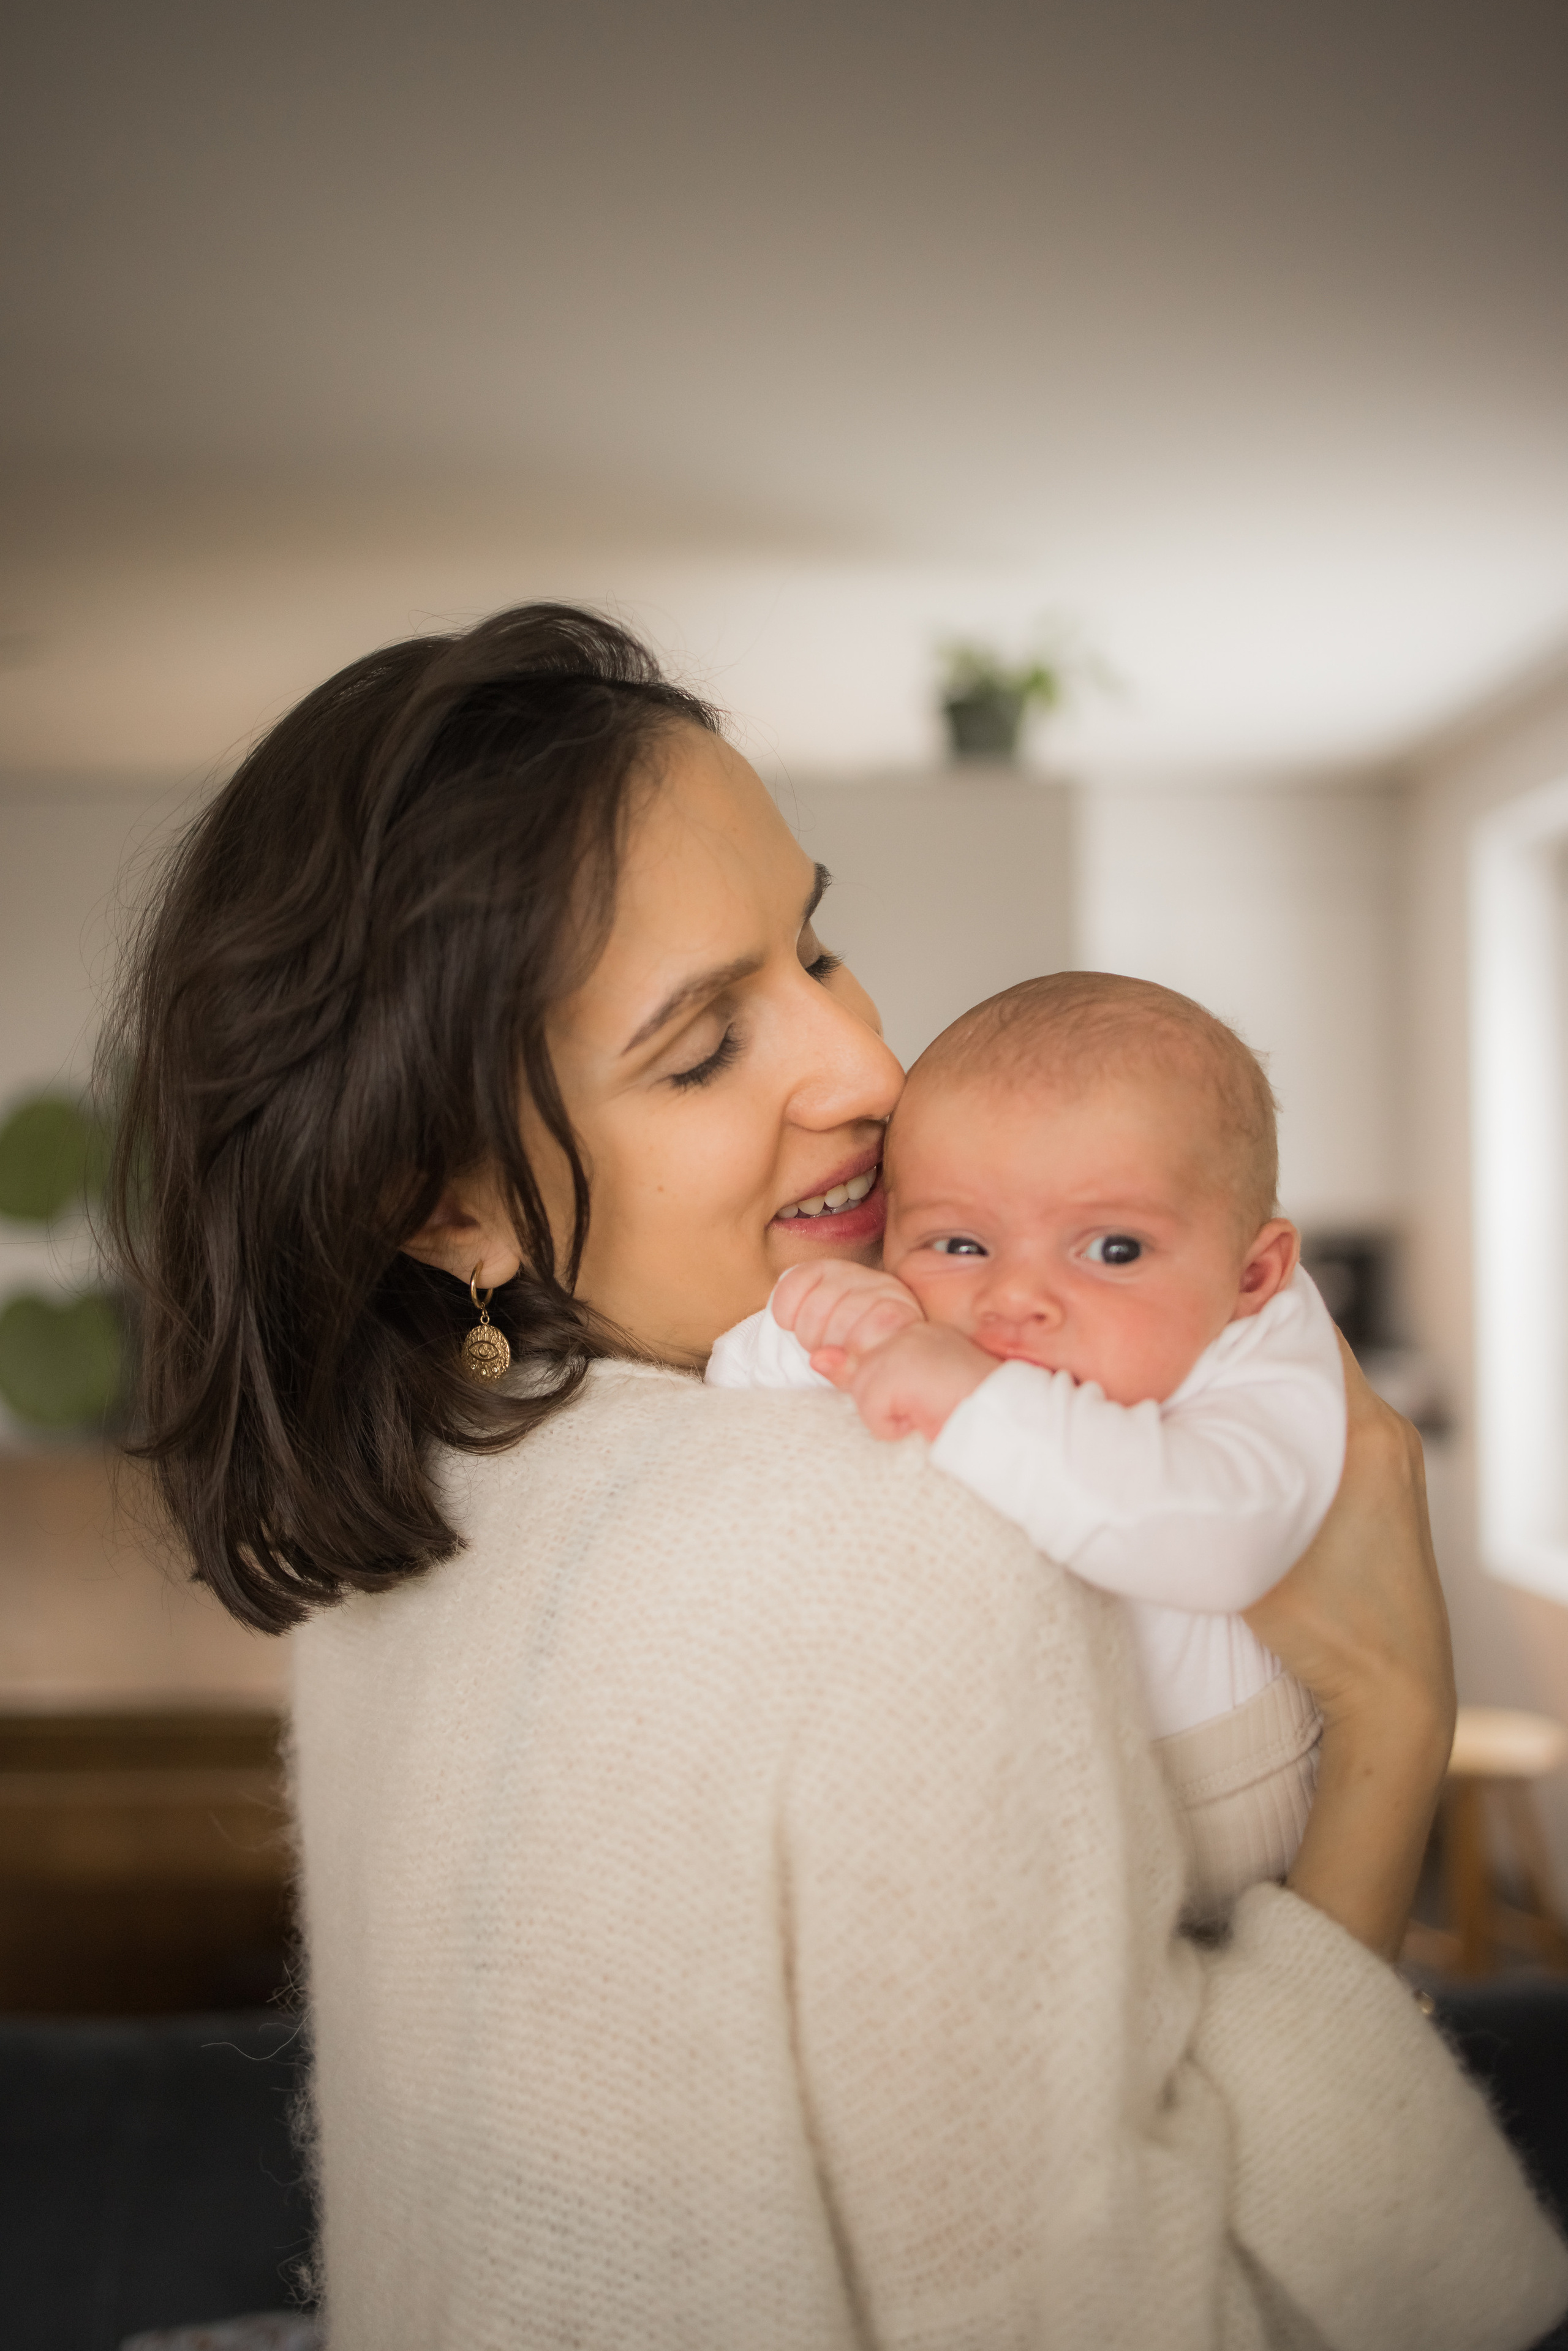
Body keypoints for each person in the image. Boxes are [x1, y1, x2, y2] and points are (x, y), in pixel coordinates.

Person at [108, 603, 1568, 2350]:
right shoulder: (897, 1543)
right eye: (705, 1042)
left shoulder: (420, 1511)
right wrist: (1394, 1716)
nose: (870, 1067)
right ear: (445, 1200)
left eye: (815, 945)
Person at [707, 971, 1345, 1914]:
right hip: (1042, 1804)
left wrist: (980, 1399)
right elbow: (742, 1387)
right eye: (960, 1244)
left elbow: (1226, 1544)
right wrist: (835, 1318)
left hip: (1228, 1789)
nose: (1015, 1298)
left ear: (1254, 1271)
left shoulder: (1265, 1345)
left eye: (1113, 1250)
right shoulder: (922, 1320)